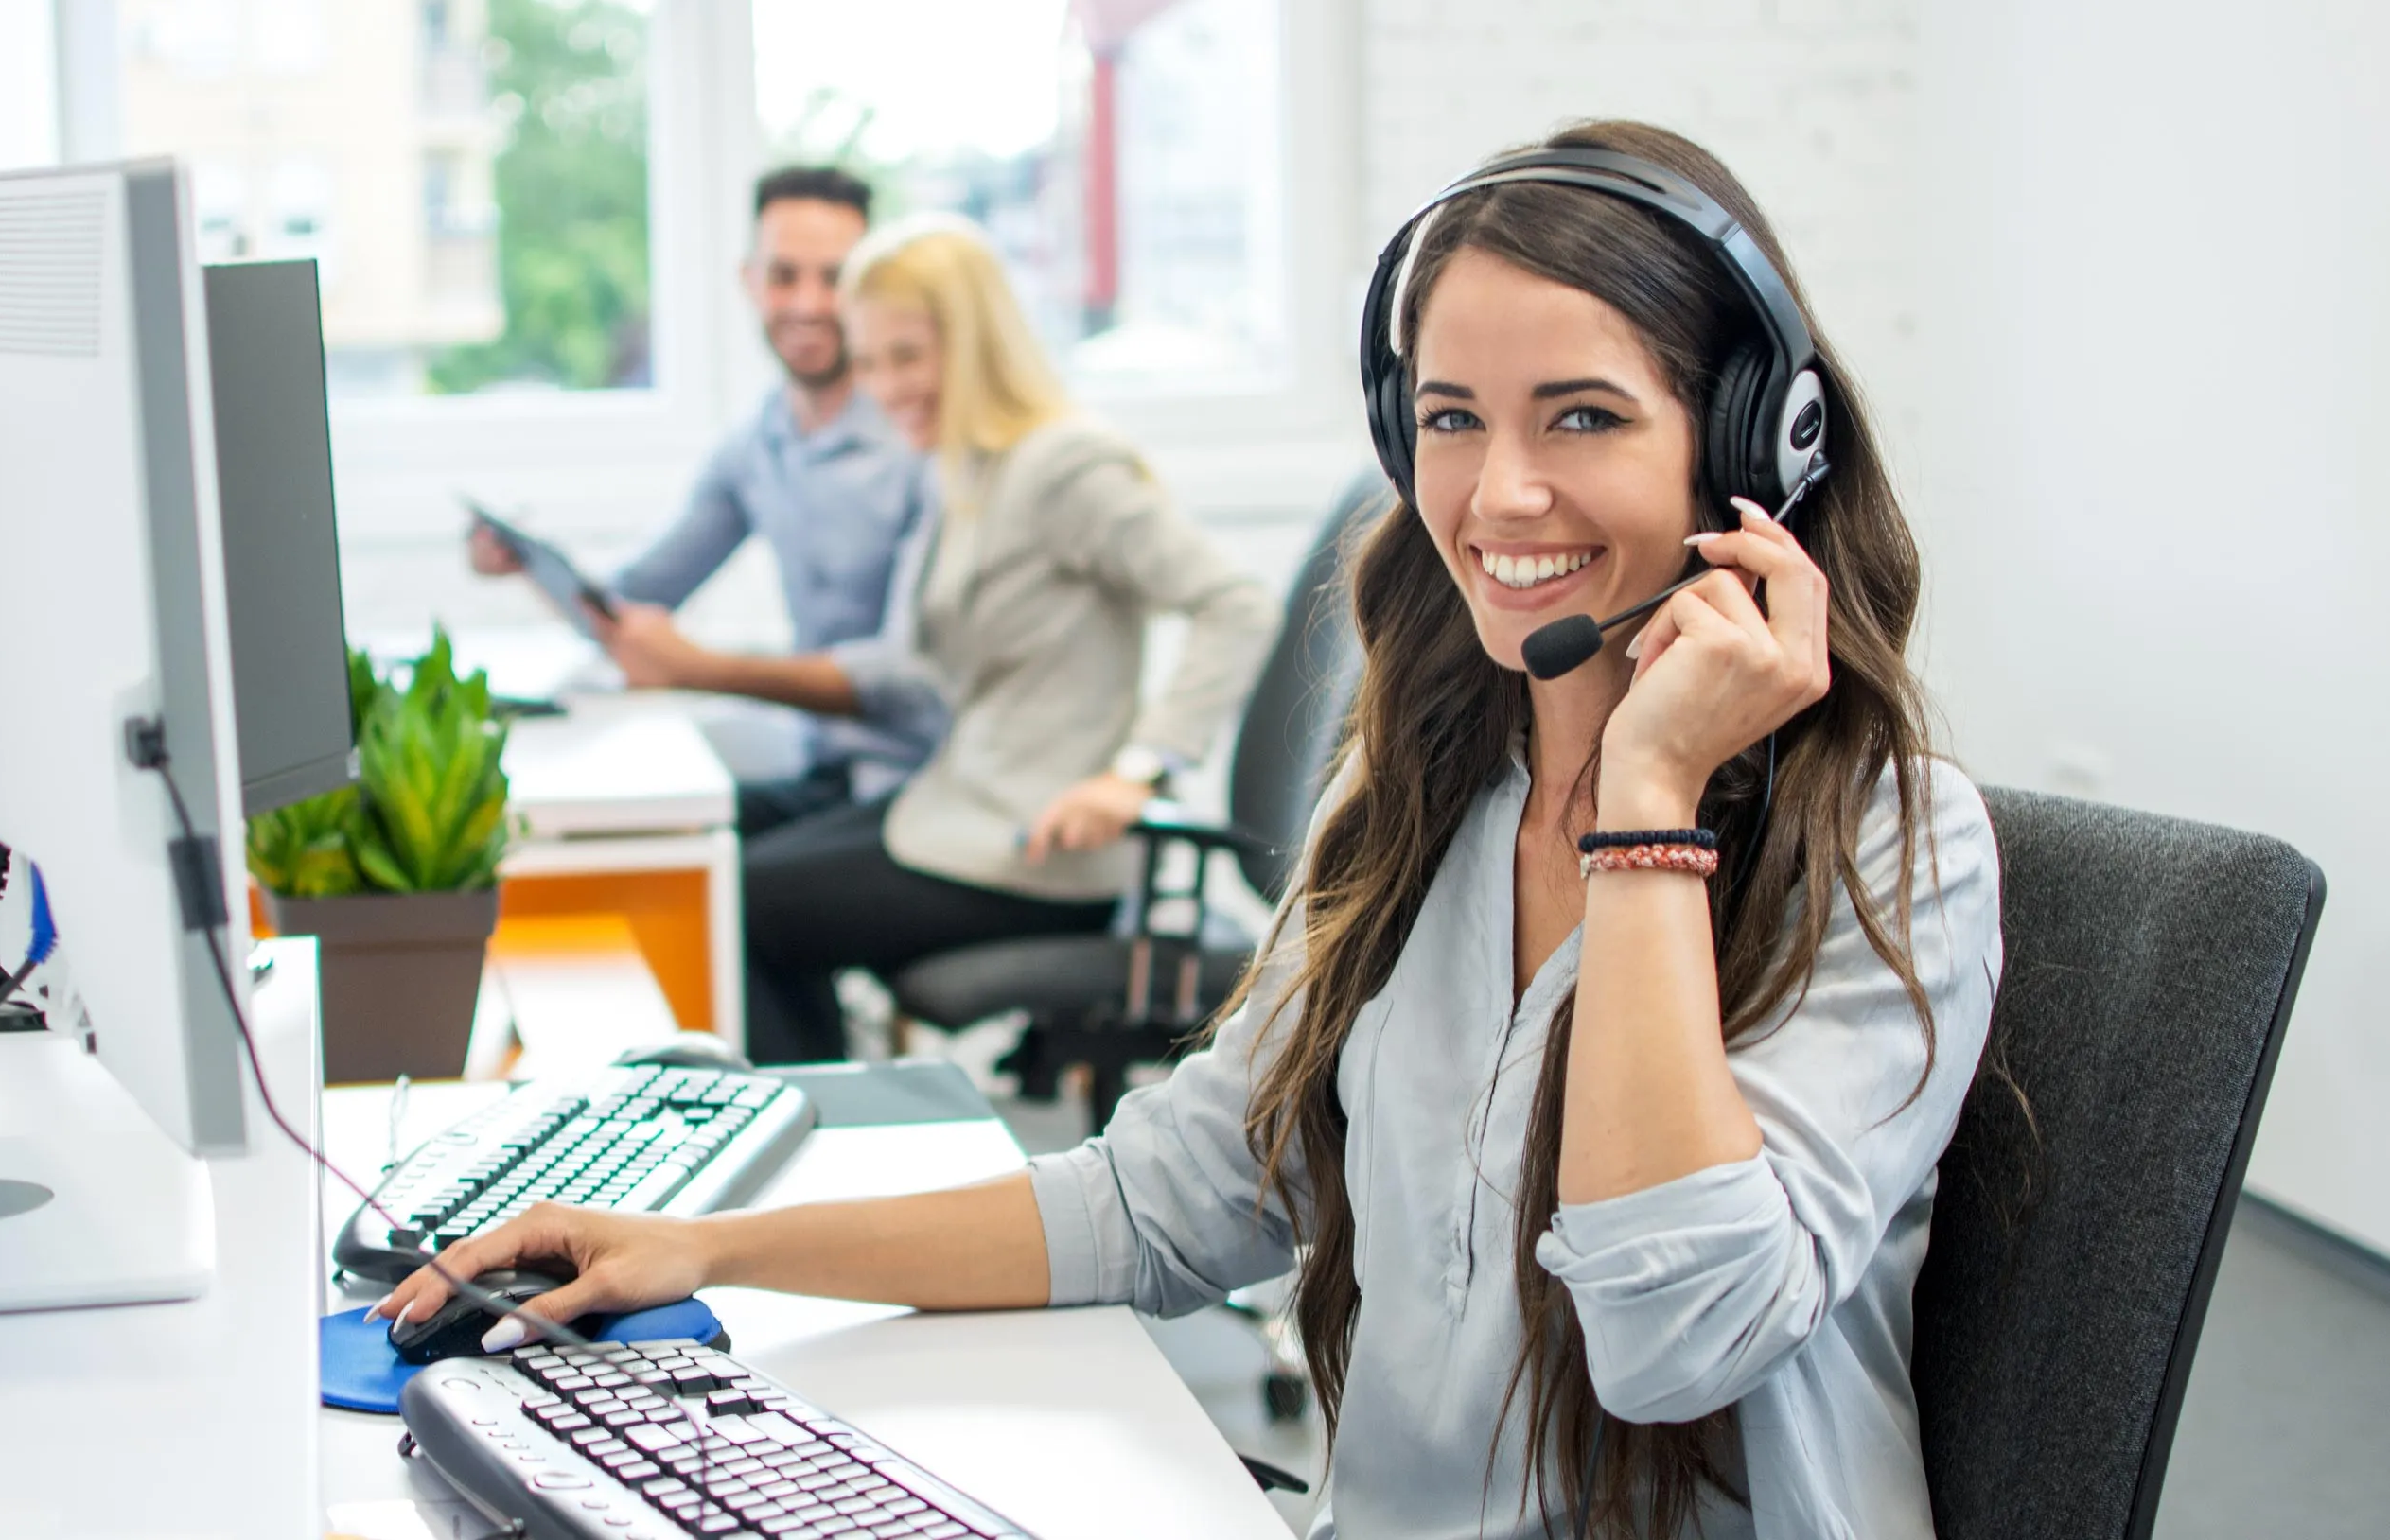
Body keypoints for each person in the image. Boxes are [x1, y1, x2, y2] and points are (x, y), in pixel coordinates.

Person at [380, 121, 1999, 1539]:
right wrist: (711, 1251)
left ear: (1750, 449)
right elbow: (1166, 1201)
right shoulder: (1431, 795)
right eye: (1448, 419)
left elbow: (1676, 1347)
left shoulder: (1891, 844)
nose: (1500, 495)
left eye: (1580, 418)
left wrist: (1647, 815)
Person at [583, 216, 1279, 1064]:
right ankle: (816, 1129)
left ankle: (812, 1155)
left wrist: (1137, 770)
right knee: (723, 876)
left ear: (979, 345)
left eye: (906, 358)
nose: (881, 386)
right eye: (868, 361)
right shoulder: (968, 467)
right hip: (961, 808)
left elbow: (1233, 603)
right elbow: (916, 659)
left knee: (742, 909)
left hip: (1037, 851)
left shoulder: (1065, 466)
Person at [467, 165, 933, 835]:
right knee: (631, 845)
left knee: (724, 891)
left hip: (913, 788)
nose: (806, 303)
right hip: (824, 775)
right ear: (749, 281)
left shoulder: (918, 440)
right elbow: (635, 602)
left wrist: (700, 669)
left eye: (833, 278)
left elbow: (908, 675)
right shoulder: (758, 446)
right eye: (783, 276)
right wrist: (526, 564)